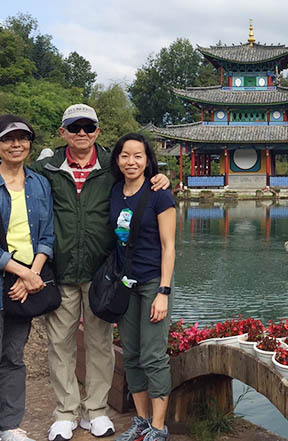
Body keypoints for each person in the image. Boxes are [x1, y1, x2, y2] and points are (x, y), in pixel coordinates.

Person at [0, 104, 170, 441]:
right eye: (74, 127)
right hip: (60, 269)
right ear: (63, 132)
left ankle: (96, 410)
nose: (81, 133)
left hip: (102, 273)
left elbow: (143, 172)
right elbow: (12, 171)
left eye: (88, 127)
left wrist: (162, 176)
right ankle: (65, 412)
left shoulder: (113, 164)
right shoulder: (48, 168)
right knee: (59, 343)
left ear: (97, 131)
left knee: (100, 343)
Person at [0, 115, 55, 441]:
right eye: (8, 139)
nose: (16, 144)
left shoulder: (39, 184)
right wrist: (24, 272)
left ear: (30, 143)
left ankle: (10, 425)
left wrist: (33, 273)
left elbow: (47, 235)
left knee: (14, 358)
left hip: (25, 283)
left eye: (23, 138)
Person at [109, 133, 176, 441]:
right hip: (125, 283)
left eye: (138, 156)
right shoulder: (114, 191)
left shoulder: (160, 193)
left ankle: (160, 427)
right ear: (117, 159)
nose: (131, 161)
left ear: (148, 160)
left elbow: (169, 245)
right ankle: (142, 420)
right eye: (125, 155)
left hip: (152, 282)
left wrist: (164, 292)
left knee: (153, 355)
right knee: (132, 354)